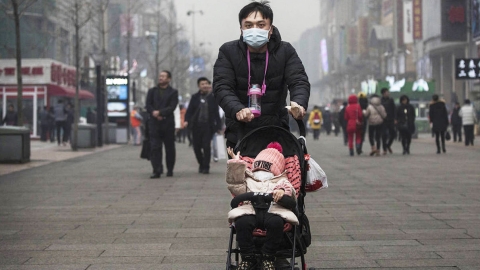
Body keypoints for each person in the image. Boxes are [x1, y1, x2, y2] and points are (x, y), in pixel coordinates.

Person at [213, 1, 310, 150]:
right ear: (241, 29)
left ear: (270, 29)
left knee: (278, 173)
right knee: (242, 173)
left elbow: (298, 80)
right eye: (248, 25)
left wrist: (299, 103)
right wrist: (237, 109)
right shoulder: (228, 52)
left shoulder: (285, 51)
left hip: (277, 133)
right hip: (240, 133)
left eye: (261, 25)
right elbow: (222, 86)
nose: (254, 30)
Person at [226, 142, 298, 270]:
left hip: (273, 211)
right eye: (258, 168)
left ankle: (268, 256)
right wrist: (236, 165)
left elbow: (289, 189)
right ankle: (248, 257)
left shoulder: (280, 180)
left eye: (265, 168)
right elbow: (235, 186)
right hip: (251, 210)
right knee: (242, 223)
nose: (260, 171)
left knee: (276, 223)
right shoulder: (249, 180)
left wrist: (281, 192)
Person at [185, 77, 222, 174]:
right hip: (196, 126)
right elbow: (189, 111)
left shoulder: (213, 98)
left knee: (206, 146)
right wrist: (186, 120)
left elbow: (216, 113)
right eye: (202, 84)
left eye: (206, 83)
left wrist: (219, 126)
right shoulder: (194, 97)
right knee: (196, 147)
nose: (205, 85)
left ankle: (206, 166)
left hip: (208, 126)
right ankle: (201, 163)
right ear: (199, 86)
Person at [146, 70, 179, 178]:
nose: (161, 78)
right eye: (160, 76)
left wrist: (160, 112)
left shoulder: (173, 92)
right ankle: (157, 170)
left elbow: (172, 106)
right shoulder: (152, 91)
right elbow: (148, 105)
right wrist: (154, 113)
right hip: (154, 124)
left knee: (169, 148)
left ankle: (170, 169)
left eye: (164, 76)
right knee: (155, 147)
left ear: (169, 79)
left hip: (168, 123)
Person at [380, 88, 396, 155]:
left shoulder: (391, 100)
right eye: (387, 92)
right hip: (383, 120)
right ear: (383, 93)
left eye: (388, 92)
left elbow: (394, 109)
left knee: (393, 133)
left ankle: (388, 145)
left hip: (391, 119)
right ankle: (384, 149)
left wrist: (395, 118)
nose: (388, 93)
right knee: (384, 135)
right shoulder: (380, 101)